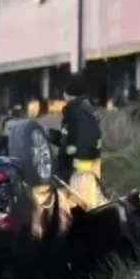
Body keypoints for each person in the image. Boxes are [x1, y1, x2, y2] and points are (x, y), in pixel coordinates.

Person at [57, 73, 103, 208]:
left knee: (80, 210)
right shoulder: (84, 109)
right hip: (83, 170)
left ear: (67, 93)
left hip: (79, 172)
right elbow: (72, 139)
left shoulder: (77, 111)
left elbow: (83, 144)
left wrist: (72, 167)